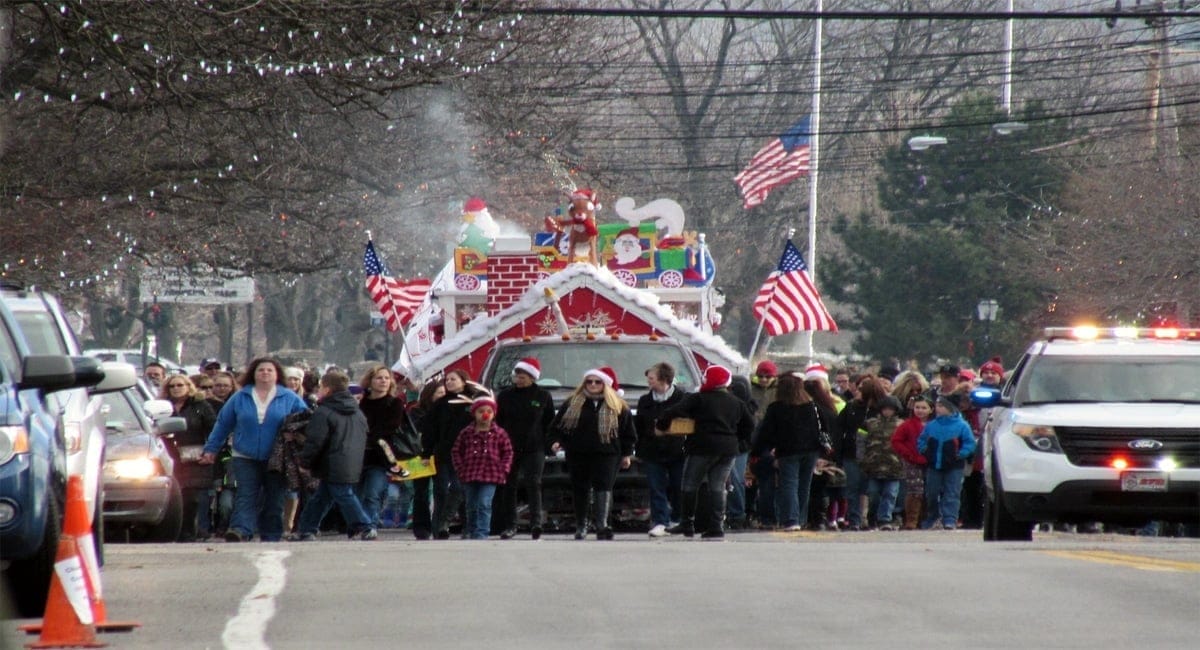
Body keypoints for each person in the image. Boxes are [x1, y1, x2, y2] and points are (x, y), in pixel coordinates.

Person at [199, 357, 309, 542]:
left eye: (269, 370)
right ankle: (241, 530)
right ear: (253, 374)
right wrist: (211, 449)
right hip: (244, 455)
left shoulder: (289, 397)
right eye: (261, 370)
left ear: (277, 375)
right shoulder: (240, 397)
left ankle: (271, 534)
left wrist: (297, 437)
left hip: (277, 457)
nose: (265, 373)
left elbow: (306, 421)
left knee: (274, 498)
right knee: (245, 494)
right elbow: (223, 424)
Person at [656, 365, 755, 540]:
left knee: (689, 484)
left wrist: (662, 426)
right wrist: (735, 438)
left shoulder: (699, 399)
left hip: (702, 447)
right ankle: (716, 526)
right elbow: (750, 425)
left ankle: (687, 523)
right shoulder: (736, 402)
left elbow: (673, 411)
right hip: (728, 449)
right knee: (718, 486)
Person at [550, 367, 636, 541]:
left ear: (605, 384)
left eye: (598, 382)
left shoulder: (617, 405)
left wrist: (627, 454)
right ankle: (582, 525)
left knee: (603, 487)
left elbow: (628, 433)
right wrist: (556, 441)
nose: (593, 385)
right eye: (589, 381)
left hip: (607, 453)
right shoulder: (572, 402)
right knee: (580, 488)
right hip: (578, 452)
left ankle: (602, 525)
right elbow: (556, 427)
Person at [292, 369, 376, 541]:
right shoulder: (357, 412)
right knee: (321, 498)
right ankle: (306, 529)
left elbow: (315, 440)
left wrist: (305, 462)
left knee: (343, 495)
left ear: (328, 389)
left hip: (332, 461)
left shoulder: (324, 411)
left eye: (321, 387)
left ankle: (365, 525)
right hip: (351, 461)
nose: (319, 391)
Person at [752, 373, 832, 532]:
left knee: (789, 484)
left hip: (788, 451)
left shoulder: (777, 408)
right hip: (811, 450)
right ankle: (800, 519)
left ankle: (790, 519)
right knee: (804, 485)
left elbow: (767, 433)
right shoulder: (812, 406)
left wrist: (758, 451)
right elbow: (823, 427)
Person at [421, 369, 488, 539]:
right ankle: (438, 528)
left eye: (453, 379)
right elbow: (430, 431)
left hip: (467, 454)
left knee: (461, 489)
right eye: (447, 380)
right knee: (441, 490)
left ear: (463, 381)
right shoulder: (440, 404)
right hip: (443, 453)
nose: (449, 382)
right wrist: (426, 453)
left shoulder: (473, 402)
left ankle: (466, 526)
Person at [494, 357, 555, 540]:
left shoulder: (543, 396)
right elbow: (499, 422)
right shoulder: (505, 396)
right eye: (517, 376)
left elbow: (549, 423)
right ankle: (510, 525)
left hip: (534, 447)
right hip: (509, 446)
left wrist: (549, 444)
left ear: (532, 377)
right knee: (509, 485)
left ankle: (536, 523)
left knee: (533, 482)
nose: (519, 379)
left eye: (523, 376)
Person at [161, 374, 217, 541]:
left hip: (194, 458)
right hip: (169, 456)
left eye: (180, 385)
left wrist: (210, 452)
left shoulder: (200, 406)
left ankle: (188, 532)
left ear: (188, 386)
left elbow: (213, 429)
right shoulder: (163, 407)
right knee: (173, 497)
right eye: (172, 386)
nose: (176, 388)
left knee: (191, 498)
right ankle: (173, 532)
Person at [357, 364, 413, 532]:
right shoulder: (361, 402)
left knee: (373, 493)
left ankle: (370, 526)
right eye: (379, 378)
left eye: (386, 378)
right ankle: (359, 523)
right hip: (358, 455)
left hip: (380, 456)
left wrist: (369, 436)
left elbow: (390, 427)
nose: (383, 381)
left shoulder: (394, 403)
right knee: (357, 494)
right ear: (370, 381)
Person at [634, 362, 687, 538]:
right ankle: (660, 522)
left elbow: (689, 424)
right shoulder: (645, 401)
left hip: (678, 450)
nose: (648, 382)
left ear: (664, 379)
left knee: (678, 486)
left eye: (652, 378)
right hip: (652, 451)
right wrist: (639, 449)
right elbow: (640, 427)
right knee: (656, 487)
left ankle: (677, 519)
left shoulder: (682, 398)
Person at [451, 396, 514, 540]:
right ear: (474, 413)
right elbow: (456, 451)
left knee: (484, 503)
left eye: (488, 411)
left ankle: (482, 532)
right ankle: (471, 530)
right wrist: (460, 468)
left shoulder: (499, 433)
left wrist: (503, 469)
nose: (485, 415)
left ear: (493, 414)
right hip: (470, 474)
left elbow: (508, 452)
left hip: (491, 475)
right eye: (480, 411)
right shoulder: (466, 432)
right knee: (471, 505)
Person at [837, 374, 888, 531]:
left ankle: (873, 518)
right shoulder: (851, 407)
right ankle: (854, 520)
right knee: (853, 488)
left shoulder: (883, 409)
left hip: (875, 455)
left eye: (861, 389)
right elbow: (839, 429)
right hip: (851, 454)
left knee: (873, 489)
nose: (858, 391)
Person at [917, 396, 977, 530]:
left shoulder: (962, 425)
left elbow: (969, 443)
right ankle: (933, 516)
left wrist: (961, 454)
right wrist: (925, 451)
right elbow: (922, 440)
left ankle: (950, 519)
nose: (937, 408)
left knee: (952, 492)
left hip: (954, 466)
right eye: (937, 405)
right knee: (931, 493)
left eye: (941, 405)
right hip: (934, 465)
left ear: (950, 408)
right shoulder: (932, 425)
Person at [860, 396, 905, 530]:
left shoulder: (901, 425)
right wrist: (862, 458)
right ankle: (872, 516)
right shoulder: (870, 423)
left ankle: (885, 519)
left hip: (895, 466)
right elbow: (860, 441)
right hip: (873, 465)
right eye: (885, 409)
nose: (887, 412)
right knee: (873, 493)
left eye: (890, 409)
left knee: (890, 494)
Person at [408, 380, 445, 540]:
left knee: (441, 490)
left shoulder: (449, 410)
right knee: (421, 492)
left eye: (444, 393)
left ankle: (440, 525)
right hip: (421, 455)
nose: (443, 396)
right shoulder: (417, 411)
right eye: (439, 393)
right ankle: (421, 526)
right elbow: (417, 429)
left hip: (441, 455)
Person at [891, 395, 933, 530]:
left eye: (923, 408)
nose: (920, 411)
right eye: (917, 407)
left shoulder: (935, 425)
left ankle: (926, 519)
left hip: (932, 462)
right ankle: (911, 520)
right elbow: (896, 441)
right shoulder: (907, 425)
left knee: (930, 490)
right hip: (912, 461)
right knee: (915, 490)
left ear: (931, 409)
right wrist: (908, 455)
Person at [748, 360, 779, 529]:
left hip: (770, 438)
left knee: (768, 480)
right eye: (761, 376)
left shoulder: (779, 390)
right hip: (753, 436)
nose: (764, 379)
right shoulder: (750, 390)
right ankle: (750, 512)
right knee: (749, 479)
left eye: (768, 376)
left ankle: (768, 515)